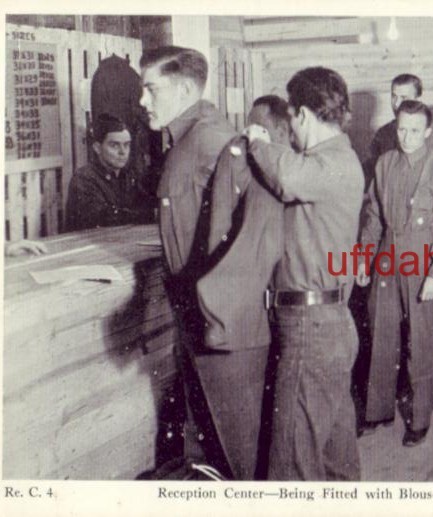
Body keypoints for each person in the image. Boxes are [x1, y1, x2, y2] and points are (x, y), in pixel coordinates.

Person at [244, 66, 364, 480]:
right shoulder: (327, 161)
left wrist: (258, 141)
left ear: (304, 116)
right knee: (334, 460)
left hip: (312, 327)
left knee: (293, 464)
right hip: (327, 324)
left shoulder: (334, 163)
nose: (289, 131)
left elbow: (288, 177)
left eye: (291, 119)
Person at [138, 46, 237, 480]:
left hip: (210, 315)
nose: (143, 100)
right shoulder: (187, 139)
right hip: (193, 311)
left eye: (150, 88)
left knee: (221, 438)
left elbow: (241, 233)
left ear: (181, 89)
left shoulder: (209, 140)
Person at [193, 95, 291, 479]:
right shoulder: (245, 158)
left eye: (261, 128)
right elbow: (221, 230)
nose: (253, 134)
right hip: (255, 304)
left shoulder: (274, 162)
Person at [357, 100, 433, 447]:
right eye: (402, 128)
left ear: (428, 131)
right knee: (381, 332)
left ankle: (420, 416)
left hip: (422, 253)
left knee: (420, 338)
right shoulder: (384, 164)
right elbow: (373, 216)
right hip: (388, 250)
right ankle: (378, 409)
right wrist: (363, 258)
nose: (407, 136)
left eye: (415, 130)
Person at [64, 113, 154, 231]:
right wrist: (148, 215)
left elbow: (146, 203)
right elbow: (103, 217)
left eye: (126, 145)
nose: (123, 152)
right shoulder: (84, 178)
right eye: (114, 145)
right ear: (97, 148)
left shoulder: (128, 176)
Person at [368, 74, 433, 179]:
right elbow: (373, 175)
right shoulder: (383, 133)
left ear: (418, 99)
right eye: (394, 96)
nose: (396, 104)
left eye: (403, 97)